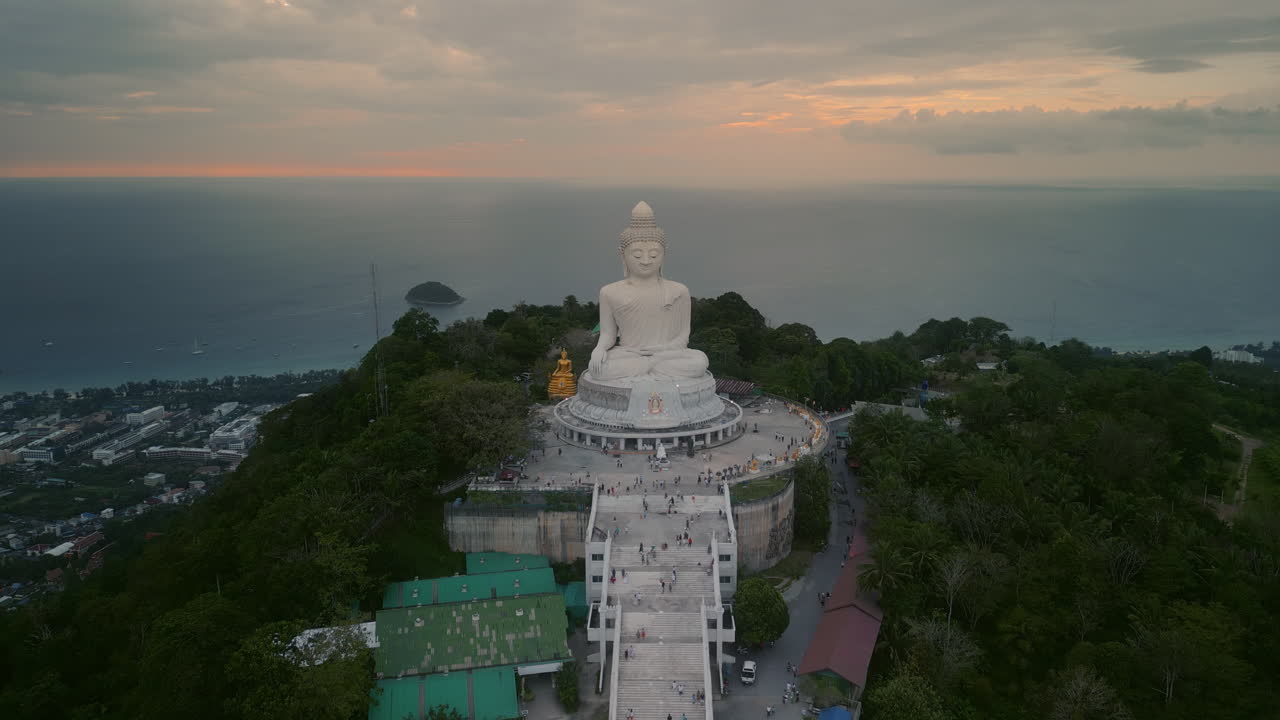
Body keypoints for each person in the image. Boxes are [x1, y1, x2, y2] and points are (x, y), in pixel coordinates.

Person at [587, 203, 708, 380]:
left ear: (664, 254)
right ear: (622, 254)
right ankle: (650, 370)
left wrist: (661, 352)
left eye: (653, 255)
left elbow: (683, 337)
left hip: (666, 355)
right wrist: (599, 349)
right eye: (637, 255)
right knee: (599, 368)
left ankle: (646, 369)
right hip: (629, 354)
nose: (645, 261)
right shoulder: (609, 292)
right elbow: (608, 335)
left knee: (699, 361)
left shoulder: (679, 291)